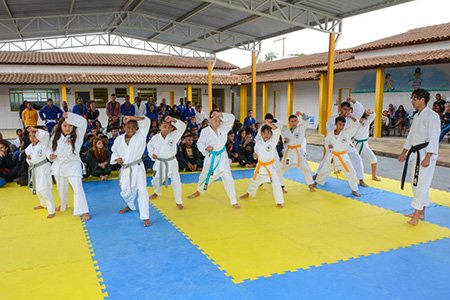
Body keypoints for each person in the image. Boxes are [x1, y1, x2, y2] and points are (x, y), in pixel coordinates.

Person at [399, 89, 440, 226]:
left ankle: (416, 215)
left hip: (425, 154)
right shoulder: (417, 116)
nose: (412, 101)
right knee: (417, 183)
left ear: (422, 99)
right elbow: (411, 136)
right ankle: (421, 212)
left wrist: (428, 157)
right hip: (415, 153)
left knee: (421, 184)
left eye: (414, 99)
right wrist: (404, 152)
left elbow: (434, 137)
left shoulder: (432, 116)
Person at [188, 111, 240, 208]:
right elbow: (200, 144)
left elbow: (232, 118)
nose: (216, 119)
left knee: (229, 179)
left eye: (218, 118)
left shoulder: (223, 127)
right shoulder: (205, 131)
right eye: (214, 117)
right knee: (204, 177)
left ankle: (233, 201)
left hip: (223, 158)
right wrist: (206, 149)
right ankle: (199, 191)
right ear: (209, 120)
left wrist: (220, 114)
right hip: (211, 158)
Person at [111, 116, 151, 227]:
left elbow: (146, 121)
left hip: (137, 167)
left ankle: (145, 216)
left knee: (142, 191)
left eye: (133, 128)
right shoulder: (119, 139)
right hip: (125, 169)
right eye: (128, 127)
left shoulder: (141, 135)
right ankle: (130, 204)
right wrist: (116, 158)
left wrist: (131, 118)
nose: (131, 130)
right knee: (126, 191)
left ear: (137, 128)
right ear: (123, 127)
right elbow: (114, 150)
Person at [49, 112, 90, 221]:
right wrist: (50, 156)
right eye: (65, 125)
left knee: (77, 188)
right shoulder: (55, 136)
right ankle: (63, 204)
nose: (68, 128)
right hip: (59, 165)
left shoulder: (78, 135)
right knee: (61, 188)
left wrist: (70, 116)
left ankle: (84, 210)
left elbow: (83, 122)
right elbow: (48, 149)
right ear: (60, 126)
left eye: (70, 125)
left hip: (73, 165)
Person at [323, 99, 367, 187]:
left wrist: (352, 103)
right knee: (327, 159)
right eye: (344, 109)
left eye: (348, 109)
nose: (346, 111)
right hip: (335, 142)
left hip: (347, 143)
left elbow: (358, 120)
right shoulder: (333, 118)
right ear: (341, 109)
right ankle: (318, 175)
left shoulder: (350, 118)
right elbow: (328, 128)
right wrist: (332, 138)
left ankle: (361, 179)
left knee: (357, 159)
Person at [314, 114, 361, 197]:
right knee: (324, 170)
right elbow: (326, 142)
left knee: (352, 173)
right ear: (336, 124)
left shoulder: (347, 133)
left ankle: (354, 190)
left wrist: (350, 116)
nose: (341, 126)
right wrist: (328, 147)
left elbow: (357, 124)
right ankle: (316, 183)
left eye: (343, 125)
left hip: (343, 158)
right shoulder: (330, 134)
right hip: (333, 157)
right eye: (339, 124)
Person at [240, 121, 285, 207]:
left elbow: (277, 131)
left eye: (268, 133)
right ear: (261, 134)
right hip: (260, 166)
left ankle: (279, 201)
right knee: (254, 181)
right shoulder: (258, 144)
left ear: (271, 134)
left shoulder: (273, 141)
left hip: (270, 167)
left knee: (276, 184)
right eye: (264, 133)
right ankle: (249, 193)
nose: (266, 135)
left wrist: (268, 124)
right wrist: (255, 156)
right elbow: (255, 155)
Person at [147, 116, 186, 209]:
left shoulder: (174, 135)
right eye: (164, 126)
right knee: (156, 181)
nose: (166, 129)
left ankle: (178, 201)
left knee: (176, 181)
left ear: (172, 128)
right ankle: (157, 192)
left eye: (169, 127)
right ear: (160, 126)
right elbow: (149, 147)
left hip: (172, 162)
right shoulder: (155, 138)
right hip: (160, 163)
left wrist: (173, 119)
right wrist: (152, 155)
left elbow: (183, 127)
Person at [25, 127, 55, 218]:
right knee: (37, 189)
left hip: (43, 168)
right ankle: (43, 204)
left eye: (34, 136)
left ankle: (51, 210)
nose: (32, 138)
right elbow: (29, 159)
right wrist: (28, 160)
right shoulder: (28, 148)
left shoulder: (43, 144)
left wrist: (51, 156)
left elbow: (46, 136)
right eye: (30, 136)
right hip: (35, 169)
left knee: (45, 189)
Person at [282, 112, 315, 192]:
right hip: (289, 153)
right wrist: (285, 140)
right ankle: (280, 187)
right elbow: (283, 140)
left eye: (295, 121)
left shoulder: (301, 128)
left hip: (298, 153)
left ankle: (310, 185)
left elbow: (307, 120)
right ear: (289, 122)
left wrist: (302, 114)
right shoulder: (285, 131)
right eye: (292, 121)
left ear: (298, 122)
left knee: (306, 169)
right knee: (281, 169)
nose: (293, 123)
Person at [256, 113, 287, 193]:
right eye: (267, 121)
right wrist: (257, 151)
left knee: (278, 168)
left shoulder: (274, 126)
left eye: (270, 121)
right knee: (261, 168)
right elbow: (257, 139)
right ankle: (260, 181)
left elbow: (278, 130)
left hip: (273, 151)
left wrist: (271, 124)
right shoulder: (262, 128)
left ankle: (281, 186)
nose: (268, 122)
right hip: (263, 151)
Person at [354, 110, 381, 181]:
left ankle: (374, 176)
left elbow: (373, 115)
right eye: (361, 118)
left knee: (373, 158)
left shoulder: (367, 123)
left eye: (363, 118)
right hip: (356, 144)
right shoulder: (355, 123)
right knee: (351, 160)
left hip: (365, 144)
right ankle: (341, 170)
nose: (362, 120)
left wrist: (370, 112)